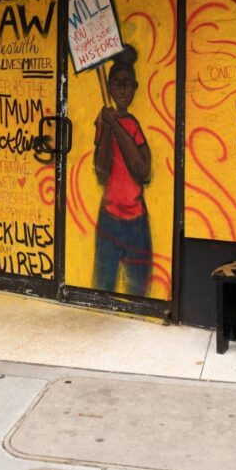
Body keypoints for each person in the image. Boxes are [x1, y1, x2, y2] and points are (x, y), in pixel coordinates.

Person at [93, 45, 152, 296]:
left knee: (138, 291)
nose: (122, 89)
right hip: (110, 221)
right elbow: (102, 171)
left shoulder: (131, 125)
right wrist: (107, 127)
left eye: (128, 84)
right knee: (103, 288)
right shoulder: (104, 122)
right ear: (110, 86)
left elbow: (142, 171)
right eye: (117, 83)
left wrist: (116, 126)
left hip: (137, 223)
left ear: (135, 87)